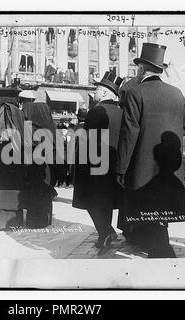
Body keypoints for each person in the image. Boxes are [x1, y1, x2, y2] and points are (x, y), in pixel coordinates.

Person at [116, 43, 185, 258]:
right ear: (159, 69)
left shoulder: (135, 92)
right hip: (171, 167)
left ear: (141, 69)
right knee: (161, 212)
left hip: (143, 166)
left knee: (147, 210)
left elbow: (129, 133)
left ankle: (163, 253)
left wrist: (121, 168)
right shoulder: (177, 94)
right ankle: (157, 246)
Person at [72, 71, 124, 255]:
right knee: (106, 202)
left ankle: (106, 232)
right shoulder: (121, 112)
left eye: (97, 89)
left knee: (91, 202)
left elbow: (88, 142)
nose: (94, 92)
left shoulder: (96, 112)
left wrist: (81, 167)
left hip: (95, 166)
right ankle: (104, 236)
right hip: (114, 166)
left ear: (104, 93)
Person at [0, 103, 26, 231]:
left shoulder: (0, 132)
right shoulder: (20, 131)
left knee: (2, 187)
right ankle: (16, 221)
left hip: (3, 164)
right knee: (15, 188)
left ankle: (1, 223)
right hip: (17, 162)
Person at [23, 102, 56, 228]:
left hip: (32, 165)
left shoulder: (28, 128)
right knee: (44, 191)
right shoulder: (50, 127)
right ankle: (45, 218)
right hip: (47, 166)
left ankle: (34, 220)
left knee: (34, 191)